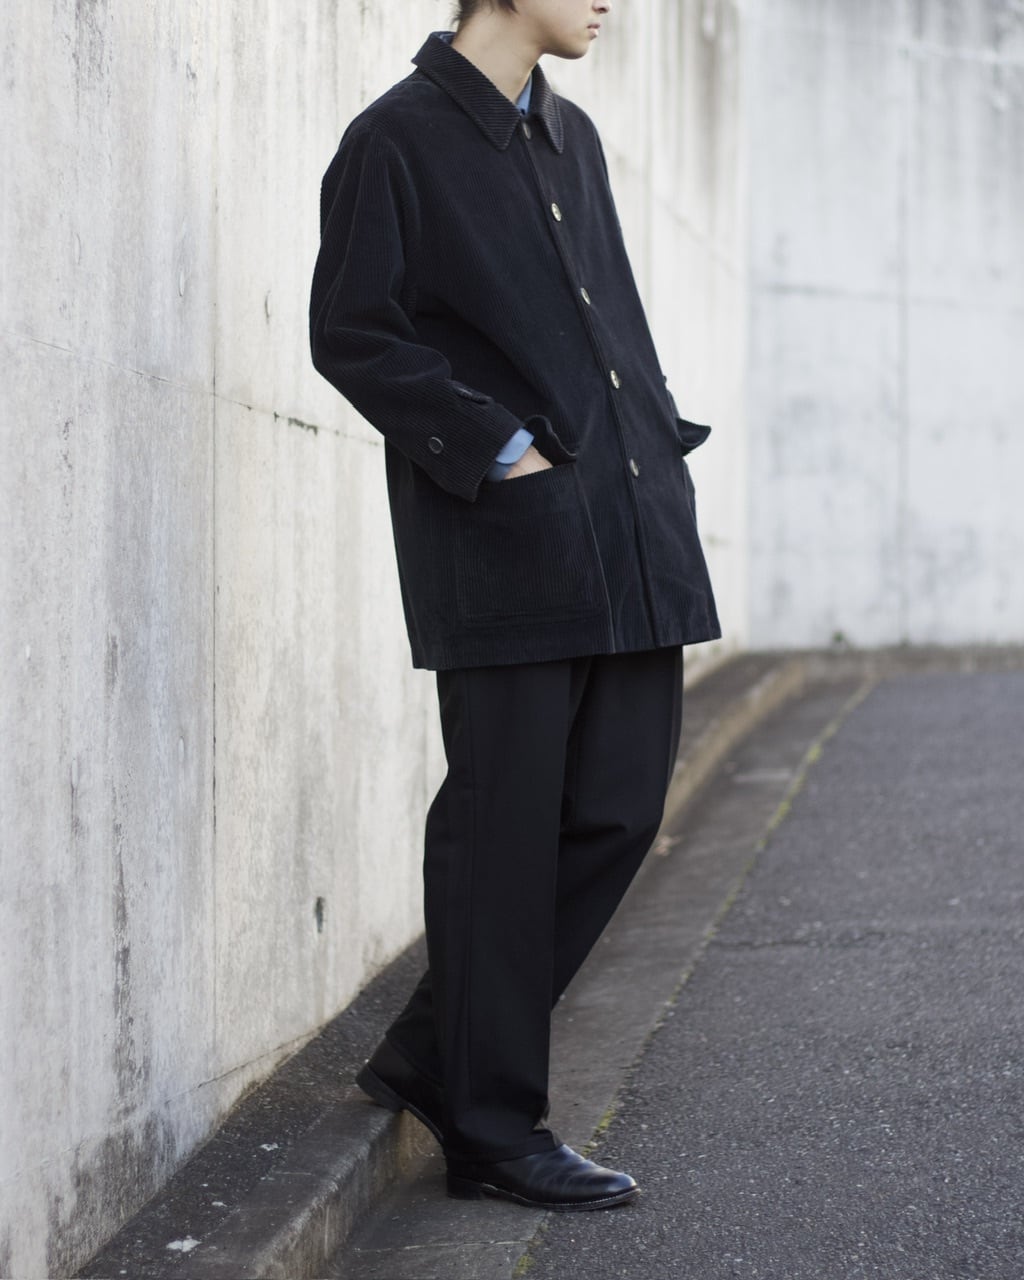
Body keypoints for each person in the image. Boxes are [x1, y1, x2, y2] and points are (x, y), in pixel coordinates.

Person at [309, 0, 719, 1212]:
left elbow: (610, 317)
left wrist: (655, 437)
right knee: (503, 825)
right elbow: (352, 331)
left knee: (618, 807)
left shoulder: (568, 137)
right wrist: (497, 448)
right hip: (506, 541)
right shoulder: (395, 139)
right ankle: (491, 1127)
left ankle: (434, 1050)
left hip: (628, 525)